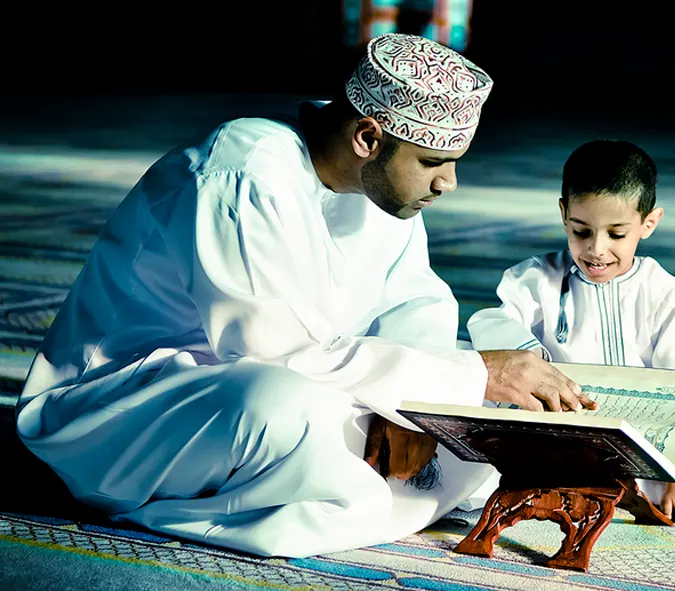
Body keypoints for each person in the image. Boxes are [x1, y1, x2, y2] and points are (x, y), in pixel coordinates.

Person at [14, 33, 594, 558]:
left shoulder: (384, 191)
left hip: (300, 374)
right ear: (368, 137)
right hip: (133, 398)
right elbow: (274, 350)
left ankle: (331, 486)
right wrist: (457, 380)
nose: (448, 184)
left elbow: (415, 306)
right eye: (434, 164)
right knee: (282, 406)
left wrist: (411, 410)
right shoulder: (244, 175)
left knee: (477, 398)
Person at [463, 140, 675, 527]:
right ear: (564, 214)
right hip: (557, 430)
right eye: (581, 231)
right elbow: (490, 324)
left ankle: (642, 489)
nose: (597, 249)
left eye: (616, 234)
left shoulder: (665, 292)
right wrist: (530, 360)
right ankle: (615, 489)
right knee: (464, 364)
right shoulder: (531, 279)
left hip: (644, 435)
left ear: (649, 223)